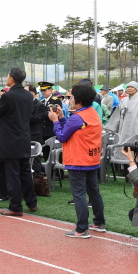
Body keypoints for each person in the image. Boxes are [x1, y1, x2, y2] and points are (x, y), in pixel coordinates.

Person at [49, 84, 106, 238]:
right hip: (91, 158)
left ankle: (81, 229)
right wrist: (61, 117)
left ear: (78, 99)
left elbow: (62, 136)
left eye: (72, 97)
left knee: (79, 194)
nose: (71, 99)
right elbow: (71, 128)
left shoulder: (77, 117)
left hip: (78, 160)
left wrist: (54, 121)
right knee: (93, 191)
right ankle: (99, 222)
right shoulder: (91, 112)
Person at [0, 68, 38, 217]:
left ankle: (16, 206)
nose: (6, 77)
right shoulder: (28, 96)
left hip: (10, 140)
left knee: (13, 175)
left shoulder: (9, 96)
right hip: (23, 138)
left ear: (12, 78)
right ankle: (32, 203)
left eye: (8, 75)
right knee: (25, 173)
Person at [104, 81, 138, 159]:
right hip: (122, 128)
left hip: (134, 128)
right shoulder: (124, 100)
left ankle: (133, 165)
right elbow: (117, 115)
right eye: (128, 87)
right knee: (121, 143)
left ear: (136, 89)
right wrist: (112, 127)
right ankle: (123, 167)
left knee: (133, 146)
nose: (129, 88)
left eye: (132, 87)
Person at [26, 85, 47, 174]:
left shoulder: (39, 105)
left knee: (35, 159)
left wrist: (23, 114)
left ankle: (38, 178)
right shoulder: (25, 104)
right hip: (25, 134)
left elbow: (37, 118)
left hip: (34, 135)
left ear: (32, 93)